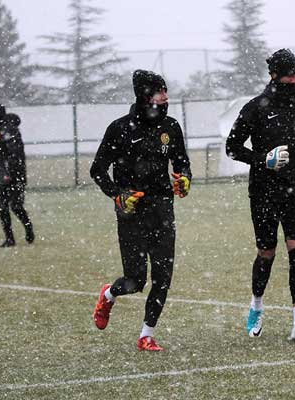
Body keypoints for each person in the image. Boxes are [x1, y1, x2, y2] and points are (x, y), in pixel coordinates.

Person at [90, 70, 192, 352]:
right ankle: (109, 294)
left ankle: (146, 335)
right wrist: (117, 196)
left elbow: (182, 163)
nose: (166, 97)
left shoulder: (171, 127)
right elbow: (97, 170)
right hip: (131, 215)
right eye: (161, 91)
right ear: (146, 96)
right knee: (135, 281)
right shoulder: (119, 129)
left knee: (163, 278)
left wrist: (184, 179)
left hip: (162, 211)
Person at [226, 49, 295, 341]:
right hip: (264, 191)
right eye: (288, 76)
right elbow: (232, 147)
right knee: (266, 253)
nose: (294, 80)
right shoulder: (256, 107)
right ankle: (256, 305)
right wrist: (263, 159)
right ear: (274, 77)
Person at [0, 104, 34, 247]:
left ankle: (28, 228)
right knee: (3, 207)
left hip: (13, 176)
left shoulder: (8, 131)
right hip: (3, 176)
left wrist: (8, 174)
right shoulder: (0, 130)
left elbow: (14, 155)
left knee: (15, 206)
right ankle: (9, 239)